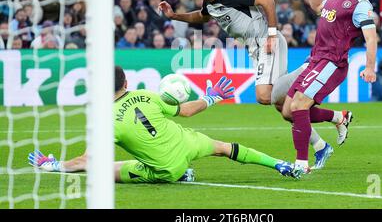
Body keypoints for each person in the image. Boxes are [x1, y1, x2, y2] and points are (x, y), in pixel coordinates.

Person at [159, 0, 352, 170]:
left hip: (267, 42)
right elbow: (202, 16)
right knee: (285, 109)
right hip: (255, 49)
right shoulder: (210, 3)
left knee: (264, 96)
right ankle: (328, 133)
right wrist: (174, 16)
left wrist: (270, 34)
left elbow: (267, 0)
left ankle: (306, 69)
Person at [28, 66, 299, 182]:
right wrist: (212, 97)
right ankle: (280, 164)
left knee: (103, 170)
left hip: (165, 170)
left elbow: (86, 161)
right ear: (126, 84)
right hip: (187, 143)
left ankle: (181, 175)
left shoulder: (106, 121)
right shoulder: (147, 95)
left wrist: (54, 165)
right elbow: (186, 111)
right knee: (225, 147)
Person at [283, 0, 378, 177]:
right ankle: (338, 117)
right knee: (288, 111)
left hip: (331, 63)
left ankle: (301, 163)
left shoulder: (361, 4)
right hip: (315, 58)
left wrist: (370, 67)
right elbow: (318, 8)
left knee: (298, 106)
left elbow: (371, 38)